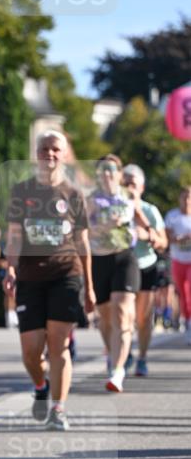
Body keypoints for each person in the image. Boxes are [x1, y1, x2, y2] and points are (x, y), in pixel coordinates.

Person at [4, 130, 95, 431]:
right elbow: (14, 237)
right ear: (36, 153)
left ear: (65, 154)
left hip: (66, 274)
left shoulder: (73, 194)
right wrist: (10, 269)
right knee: (30, 351)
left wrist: (90, 287)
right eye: (44, 149)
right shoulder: (21, 191)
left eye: (56, 149)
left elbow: (83, 243)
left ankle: (58, 408)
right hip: (30, 277)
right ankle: (41, 387)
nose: (50, 154)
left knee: (59, 346)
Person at [87, 154, 153, 393]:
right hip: (100, 259)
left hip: (125, 257)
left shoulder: (128, 196)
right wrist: (105, 225)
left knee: (123, 313)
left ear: (118, 173)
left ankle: (118, 371)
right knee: (105, 319)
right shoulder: (91, 199)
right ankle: (113, 354)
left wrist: (150, 231)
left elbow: (141, 219)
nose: (107, 173)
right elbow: (83, 228)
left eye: (111, 169)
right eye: (102, 169)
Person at [122, 164, 168, 375]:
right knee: (125, 315)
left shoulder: (150, 210)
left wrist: (147, 235)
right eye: (125, 183)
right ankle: (124, 352)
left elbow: (162, 242)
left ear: (141, 187)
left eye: (133, 183)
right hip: (122, 266)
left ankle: (142, 357)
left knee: (143, 318)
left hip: (145, 265)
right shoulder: (115, 209)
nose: (129, 187)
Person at [165, 186, 191, 344]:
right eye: (184, 197)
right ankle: (187, 320)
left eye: (189, 197)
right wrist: (180, 239)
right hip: (177, 260)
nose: (187, 201)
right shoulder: (172, 216)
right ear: (179, 199)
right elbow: (167, 238)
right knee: (183, 293)